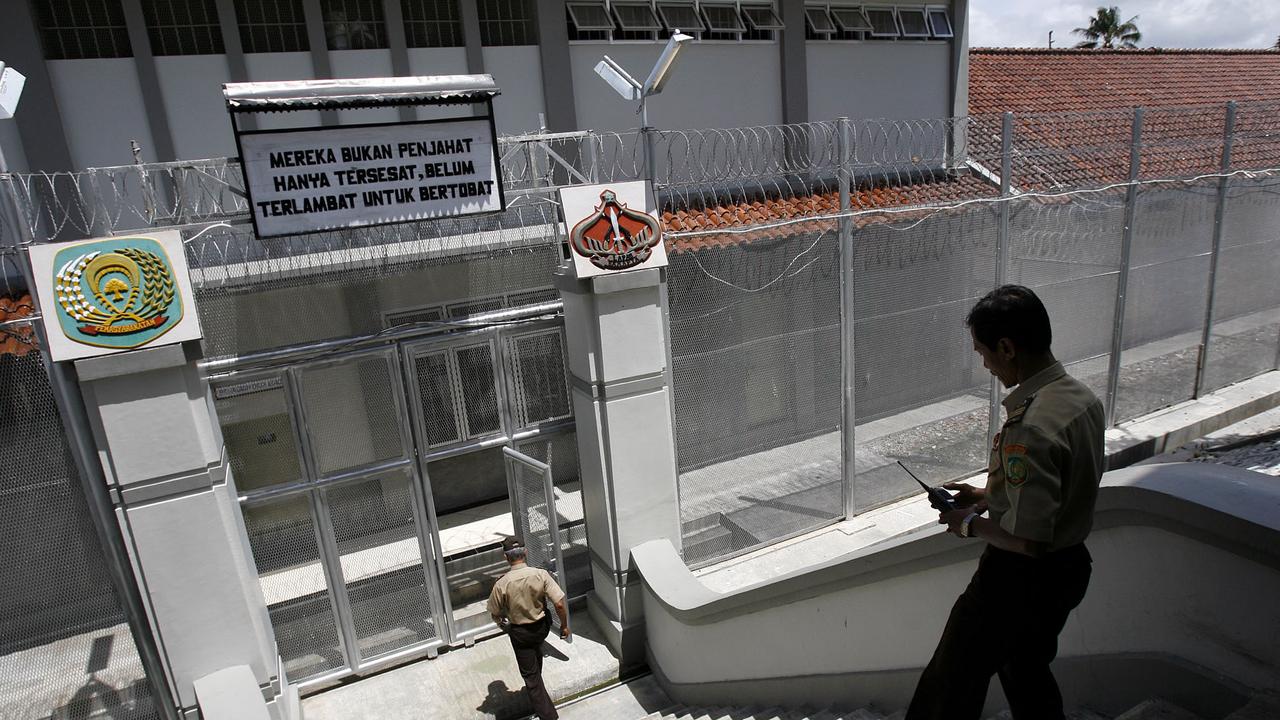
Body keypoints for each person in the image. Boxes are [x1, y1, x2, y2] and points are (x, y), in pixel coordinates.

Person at [905, 284, 1106, 720]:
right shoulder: (1080, 400)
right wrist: (987, 495)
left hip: (1017, 581)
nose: (985, 364)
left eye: (983, 352)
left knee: (950, 682)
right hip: (1070, 569)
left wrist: (966, 523)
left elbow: (1029, 540)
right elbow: (1061, 486)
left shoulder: (1029, 426)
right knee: (1026, 668)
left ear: (1007, 347)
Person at [487, 536, 571, 720]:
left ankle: (548, 716)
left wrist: (504, 625)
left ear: (505, 557)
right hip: (541, 628)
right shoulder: (540, 574)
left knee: (531, 679)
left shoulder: (502, 584)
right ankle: (537, 687)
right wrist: (564, 626)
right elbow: (558, 604)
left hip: (520, 633)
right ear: (525, 552)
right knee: (535, 657)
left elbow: (494, 612)